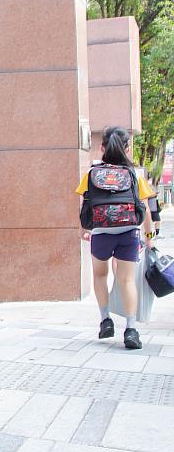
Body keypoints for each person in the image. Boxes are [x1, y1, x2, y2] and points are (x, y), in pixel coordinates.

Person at [76, 126, 155, 350]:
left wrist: (84, 229)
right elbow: (146, 210)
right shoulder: (134, 175)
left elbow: (85, 204)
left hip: (101, 233)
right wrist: (149, 237)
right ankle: (130, 330)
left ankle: (105, 320)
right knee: (127, 280)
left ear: (102, 148)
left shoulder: (91, 174)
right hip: (129, 231)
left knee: (100, 276)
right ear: (128, 149)